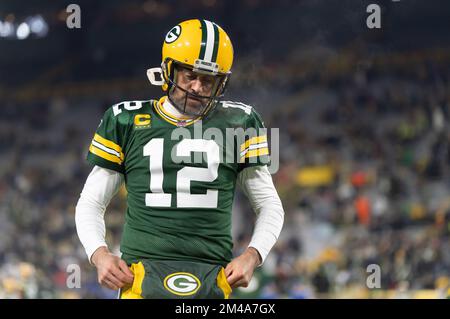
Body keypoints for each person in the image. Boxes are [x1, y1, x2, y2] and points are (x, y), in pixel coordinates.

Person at [75, 19, 284, 299]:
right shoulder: (125, 120)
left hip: (213, 276)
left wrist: (252, 255)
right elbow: (91, 201)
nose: (197, 86)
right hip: (140, 275)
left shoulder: (239, 122)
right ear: (168, 70)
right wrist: (99, 254)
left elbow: (269, 203)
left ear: (221, 82)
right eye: (190, 75)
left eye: (208, 80)